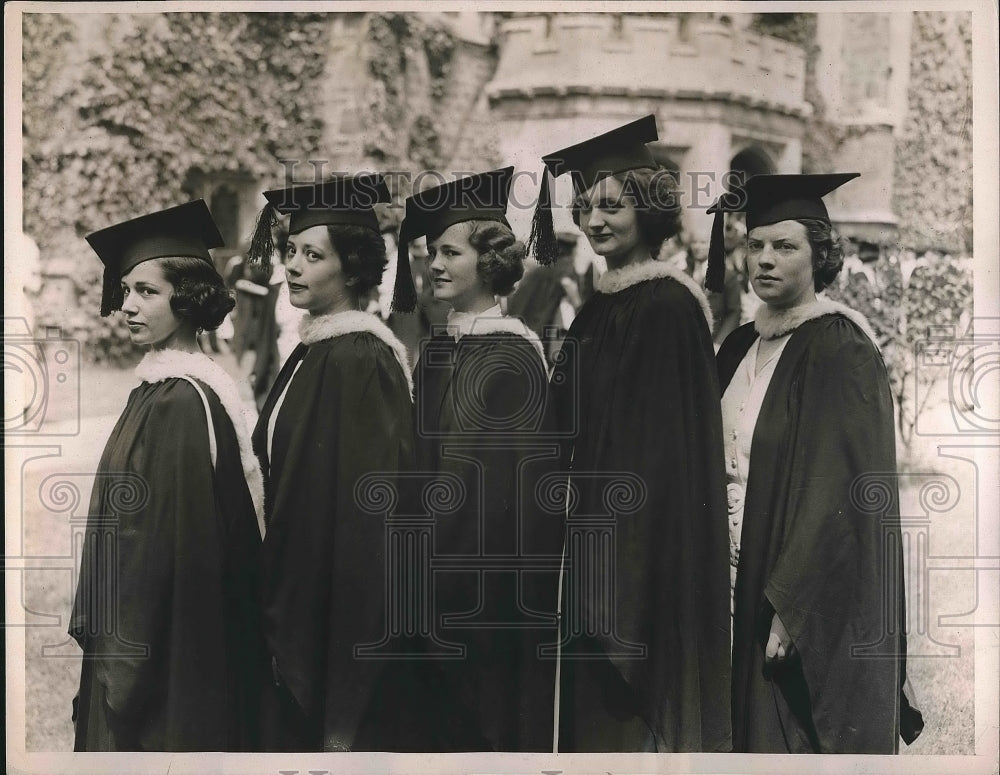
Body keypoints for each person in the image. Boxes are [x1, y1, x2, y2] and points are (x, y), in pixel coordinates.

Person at [528, 115, 732, 752]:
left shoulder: (670, 305)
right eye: (586, 204)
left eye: (612, 205)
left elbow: (662, 454)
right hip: (590, 539)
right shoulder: (599, 306)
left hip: (638, 553)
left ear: (649, 208)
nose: (595, 219)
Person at [710, 173, 923, 753]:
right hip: (727, 579)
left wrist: (790, 607)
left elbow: (839, 494)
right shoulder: (736, 347)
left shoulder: (840, 347)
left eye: (785, 246)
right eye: (755, 245)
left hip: (787, 591)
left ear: (820, 254)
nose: (765, 260)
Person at [70, 200, 265, 751]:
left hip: (157, 647)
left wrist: (122, 653)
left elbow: (167, 548)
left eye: (147, 292)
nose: (128, 306)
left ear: (190, 296)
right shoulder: (161, 387)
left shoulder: (182, 400)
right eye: (127, 290)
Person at [389, 166, 562, 751]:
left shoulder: (509, 356)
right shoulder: (443, 350)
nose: (435, 264)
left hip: (485, 594)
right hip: (437, 577)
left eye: (450, 252)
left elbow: (485, 498)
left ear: (489, 262)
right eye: (431, 251)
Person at [245, 174, 417, 752]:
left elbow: (371, 524)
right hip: (297, 590)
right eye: (290, 251)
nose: (293, 265)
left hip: (336, 615)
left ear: (353, 267)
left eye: (313, 255)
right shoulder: (315, 348)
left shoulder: (361, 358)